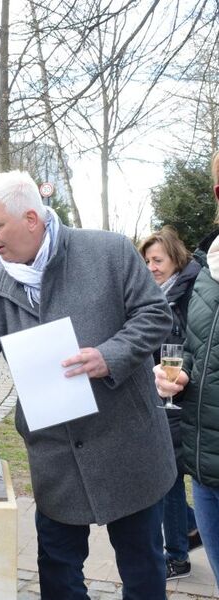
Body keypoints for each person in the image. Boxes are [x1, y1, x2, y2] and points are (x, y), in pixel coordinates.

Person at [0, 170, 176, 600]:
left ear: (31, 218)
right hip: (56, 455)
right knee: (59, 573)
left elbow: (156, 316)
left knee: (142, 568)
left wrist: (110, 356)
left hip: (127, 446)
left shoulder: (108, 252)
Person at [154, 151, 219, 586]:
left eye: (157, 260)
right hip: (209, 471)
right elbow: (199, 349)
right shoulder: (210, 271)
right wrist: (182, 373)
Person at [139, 226, 202, 581]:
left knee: (170, 477)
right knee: (169, 474)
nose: (151, 267)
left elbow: (183, 345)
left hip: (178, 395)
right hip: (161, 390)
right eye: (147, 260)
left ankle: (177, 556)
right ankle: (190, 531)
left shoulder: (188, 293)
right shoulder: (159, 292)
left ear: (175, 258)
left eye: (158, 260)